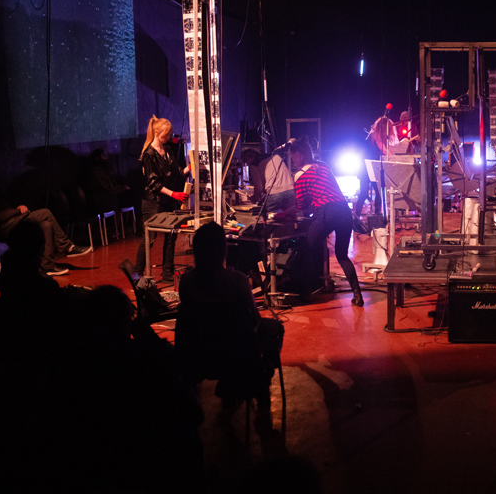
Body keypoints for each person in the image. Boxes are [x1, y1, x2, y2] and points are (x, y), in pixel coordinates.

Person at [176, 222, 282, 410]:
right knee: (275, 329)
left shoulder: (186, 281)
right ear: (222, 251)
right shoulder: (237, 280)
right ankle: (261, 382)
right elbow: (255, 320)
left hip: (198, 355)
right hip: (235, 355)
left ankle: (229, 386)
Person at [291, 139, 365, 307]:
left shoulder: (299, 175)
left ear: (299, 154)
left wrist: (284, 213)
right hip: (344, 210)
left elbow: (301, 206)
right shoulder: (323, 166)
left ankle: (306, 294)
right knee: (342, 254)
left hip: (326, 212)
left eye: (293, 156)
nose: (292, 160)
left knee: (306, 250)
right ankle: (357, 295)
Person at [134, 115, 191, 284]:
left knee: (171, 236)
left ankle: (167, 272)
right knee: (150, 238)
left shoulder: (167, 151)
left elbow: (177, 172)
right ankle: (137, 273)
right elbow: (153, 183)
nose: (170, 137)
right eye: (167, 134)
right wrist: (173, 194)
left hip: (167, 200)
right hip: (152, 201)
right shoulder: (148, 155)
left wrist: (191, 167)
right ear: (158, 133)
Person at [0, 201, 91, 277]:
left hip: (12, 221)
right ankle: (67, 246)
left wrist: (17, 208)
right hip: (4, 228)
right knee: (46, 213)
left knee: (46, 225)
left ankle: (48, 265)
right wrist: (18, 210)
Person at [356, 115, 398, 219]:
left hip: (368, 167)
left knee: (366, 193)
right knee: (376, 193)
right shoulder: (376, 135)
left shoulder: (374, 134)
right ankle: (375, 216)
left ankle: (358, 217)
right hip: (369, 168)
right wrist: (395, 156)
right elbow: (384, 150)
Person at [241, 148, 296, 213]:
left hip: (275, 194)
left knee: (268, 216)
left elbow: (259, 187)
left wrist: (254, 199)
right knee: (290, 215)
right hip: (291, 191)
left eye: (246, 162)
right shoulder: (275, 156)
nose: (247, 164)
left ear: (248, 158)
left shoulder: (254, 164)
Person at [86, 148, 132, 215]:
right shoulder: (96, 173)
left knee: (133, 192)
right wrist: (123, 188)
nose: (107, 157)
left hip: (111, 198)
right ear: (97, 158)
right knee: (134, 195)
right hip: (105, 201)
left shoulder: (105, 171)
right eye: (104, 155)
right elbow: (108, 189)